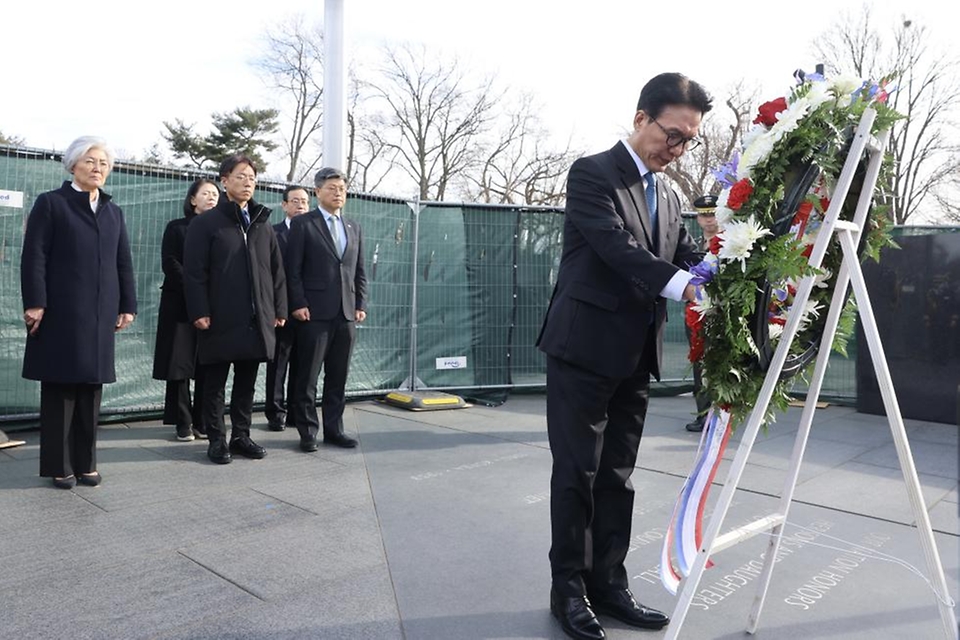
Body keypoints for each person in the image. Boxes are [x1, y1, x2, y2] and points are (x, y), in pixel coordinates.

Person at [536, 72, 712, 640]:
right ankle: (568, 590)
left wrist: (729, 258)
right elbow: (617, 248)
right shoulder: (593, 173)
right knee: (576, 474)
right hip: (583, 350)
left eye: (690, 140)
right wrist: (684, 286)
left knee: (617, 475)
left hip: (635, 354)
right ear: (641, 119)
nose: (678, 149)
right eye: (672, 134)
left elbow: (684, 253)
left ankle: (609, 585)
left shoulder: (672, 193)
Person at [20, 136, 137, 489]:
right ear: (73, 165)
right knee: (60, 388)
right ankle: (60, 465)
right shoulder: (52, 204)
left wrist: (127, 305)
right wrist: (35, 302)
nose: (97, 168)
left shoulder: (113, 211)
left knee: (91, 388)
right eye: (90, 161)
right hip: (62, 311)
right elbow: (34, 256)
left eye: (103, 163)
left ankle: (86, 463)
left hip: (102, 313)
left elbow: (123, 262)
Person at [183, 155, 287, 465]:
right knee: (214, 381)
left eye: (252, 177)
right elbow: (194, 272)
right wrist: (199, 309)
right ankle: (217, 439)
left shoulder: (261, 223)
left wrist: (278, 307)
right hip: (219, 315)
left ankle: (241, 435)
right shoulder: (206, 223)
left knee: (246, 380)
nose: (247, 182)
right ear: (224, 180)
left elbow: (276, 270)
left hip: (256, 318)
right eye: (240, 176)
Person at [286, 167, 367, 452]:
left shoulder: (353, 227)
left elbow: (359, 270)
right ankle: (307, 432)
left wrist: (360, 304)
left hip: (346, 314)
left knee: (338, 376)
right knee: (307, 377)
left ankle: (334, 430)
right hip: (314, 314)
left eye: (342, 188)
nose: (338, 192)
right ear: (317, 191)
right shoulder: (304, 224)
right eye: (332, 188)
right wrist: (297, 303)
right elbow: (292, 269)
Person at [152, 178, 220, 441]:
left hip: (213, 306)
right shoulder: (177, 228)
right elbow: (170, 263)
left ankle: (203, 421)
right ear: (193, 200)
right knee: (178, 365)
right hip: (179, 304)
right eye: (205, 193)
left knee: (208, 364)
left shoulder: (222, 230)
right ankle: (183, 421)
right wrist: (195, 287)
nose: (211, 197)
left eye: (215, 193)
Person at [264, 185, 310, 432]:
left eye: (304, 201)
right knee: (278, 363)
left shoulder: (316, 232)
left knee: (303, 364)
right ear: (284, 205)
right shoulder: (273, 233)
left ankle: (296, 410)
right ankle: (275, 412)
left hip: (309, 312)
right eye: (295, 200)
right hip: (281, 311)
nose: (301, 205)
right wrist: (278, 308)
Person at [684, 194, 719, 433]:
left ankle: (724, 414)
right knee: (700, 363)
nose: (709, 220)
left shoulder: (729, 243)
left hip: (721, 311)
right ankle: (703, 414)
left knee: (722, 362)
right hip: (696, 312)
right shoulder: (692, 246)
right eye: (704, 215)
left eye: (713, 214)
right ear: (697, 217)